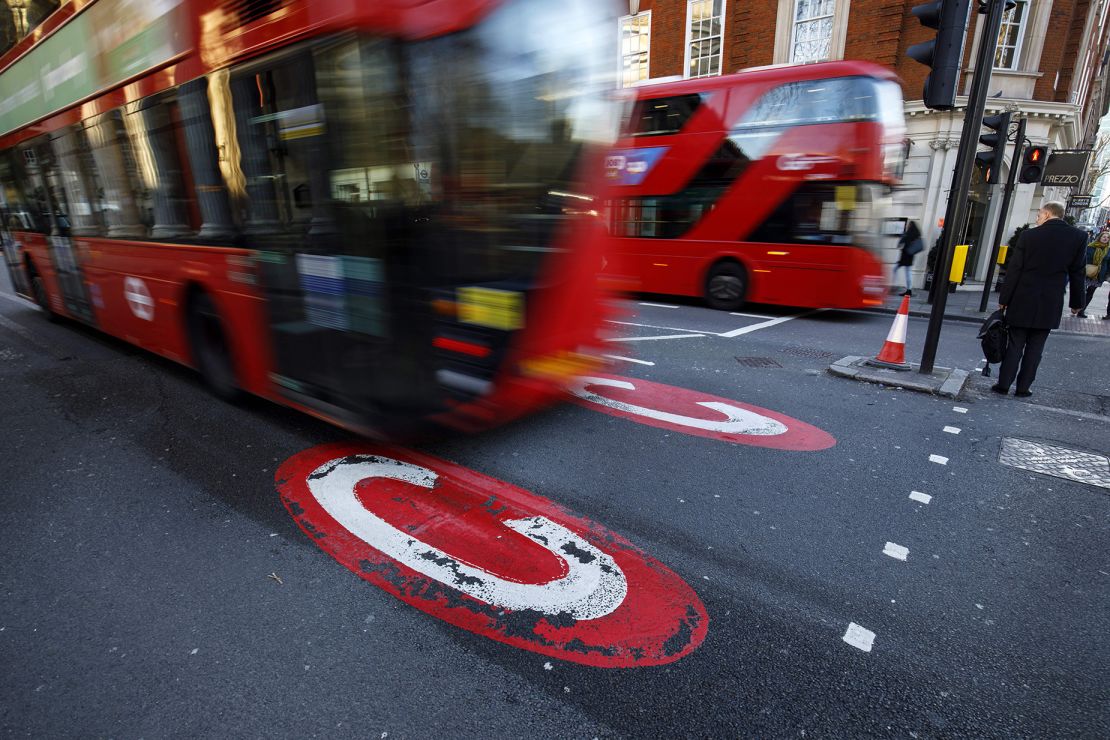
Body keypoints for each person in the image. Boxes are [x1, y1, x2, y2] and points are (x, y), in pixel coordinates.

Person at [993, 201, 1087, 398]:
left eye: (1038, 215)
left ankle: (1003, 384)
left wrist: (1004, 298)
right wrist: (1077, 303)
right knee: (1036, 347)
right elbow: (1078, 272)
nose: (1037, 219)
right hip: (1050, 301)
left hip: (1022, 298)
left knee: (1015, 344)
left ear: (1046, 214)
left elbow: (1015, 269)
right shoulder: (1079, 237)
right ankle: (1023, 388)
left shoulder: (1029, 236)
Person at [1079, 231, 1109, 318]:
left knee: (1090, 292)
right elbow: (1084, 258)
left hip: (1099, 275)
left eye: (1107, 237)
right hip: (1087, 272)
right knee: (1082, 292)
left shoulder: (1108, 250)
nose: (1105, 238)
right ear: (1099, 237)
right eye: (1104, 236)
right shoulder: (1091, 246)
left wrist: (1107, 275)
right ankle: (1078, 307)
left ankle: (1082, 310)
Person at [894, 220, 923, 296]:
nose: (907, 226)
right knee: (908, 273)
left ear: (910, 226)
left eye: (908, 225)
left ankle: (895, 285)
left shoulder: (907, 234)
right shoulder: (917, 234)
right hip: (910, 256)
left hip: (905, 256)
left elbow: (900, 243)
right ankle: (909, 290)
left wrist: (902, 237)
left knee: (895, 269)